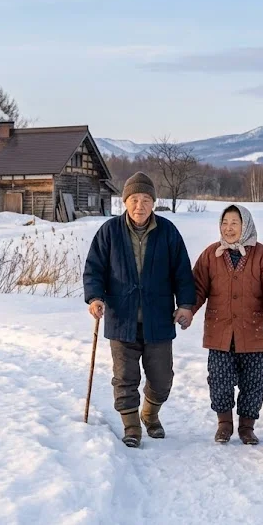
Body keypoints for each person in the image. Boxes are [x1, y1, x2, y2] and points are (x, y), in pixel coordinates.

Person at [83, 172, 196, 448]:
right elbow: (94, 269)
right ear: (125, 202)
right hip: (122, 319)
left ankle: (150, 413)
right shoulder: (109, 231)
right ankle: (132, 426)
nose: (140, 205)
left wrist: (184, 305)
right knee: (125, 378)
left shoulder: (168, 232)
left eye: (146, 199)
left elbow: (182, 273)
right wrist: (95, 298)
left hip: (158, 319)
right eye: (134, 199)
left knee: (162, 378)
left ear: (154, 203)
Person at [191, 204, 263, 445]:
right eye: (224, 223)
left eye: (234, 223)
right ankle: (224, 424)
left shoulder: (262, 255)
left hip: (254, 332)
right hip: (220, 332)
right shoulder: (211, 255)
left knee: (253, 382)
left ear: (246, 225)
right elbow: (197, 288)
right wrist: (186, 310)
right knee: (219, 379)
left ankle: (246, 427)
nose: (229, 228)